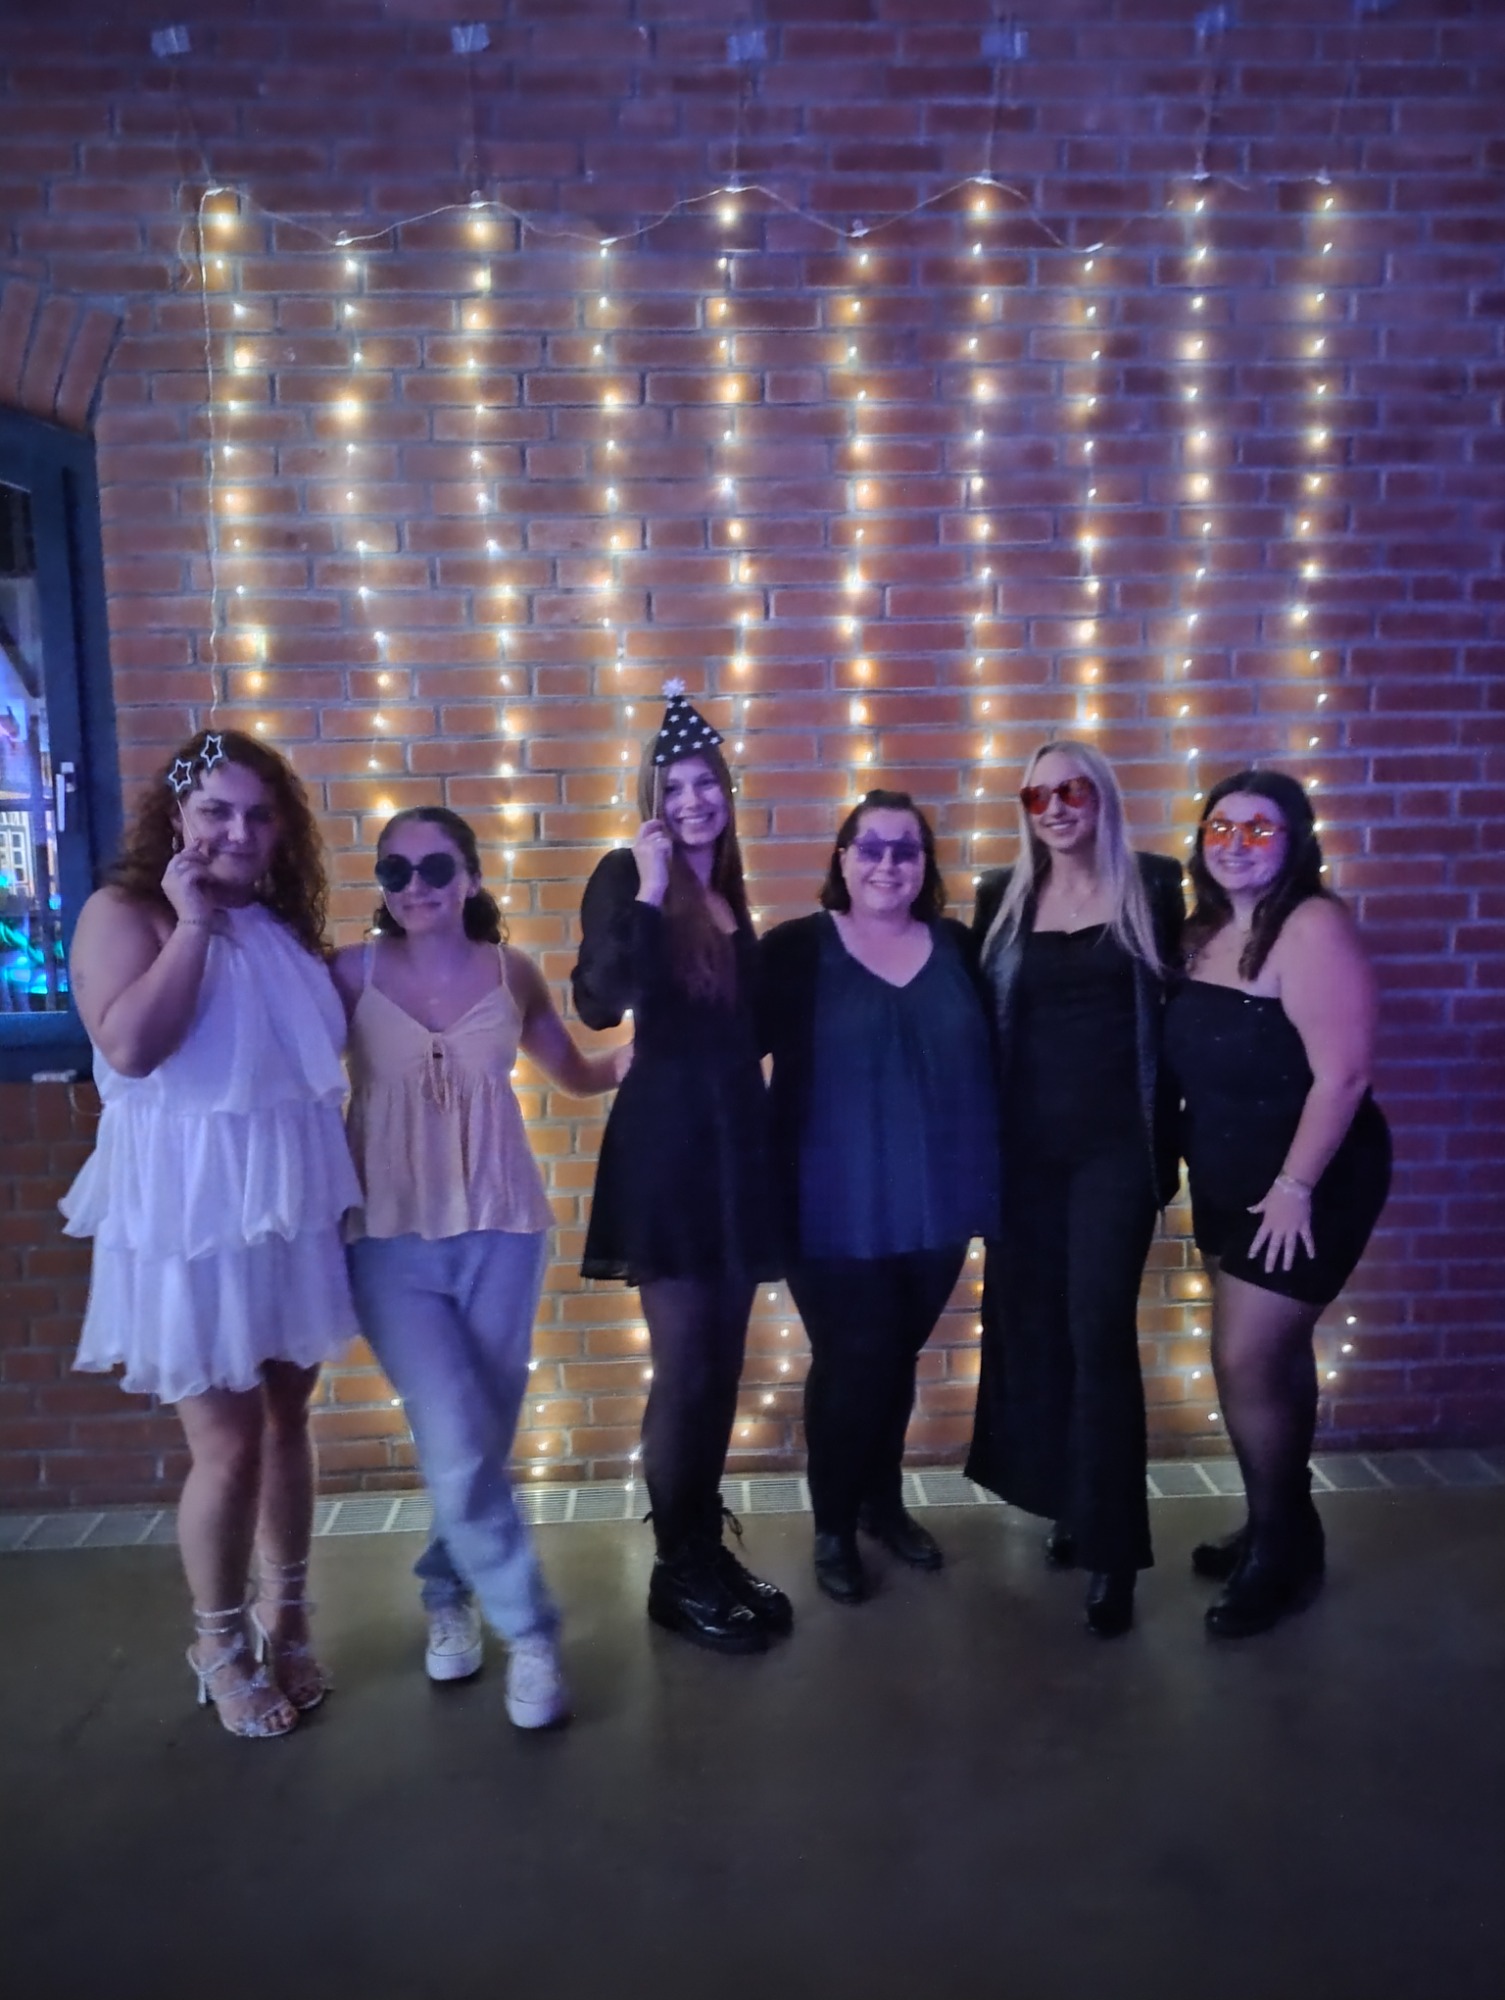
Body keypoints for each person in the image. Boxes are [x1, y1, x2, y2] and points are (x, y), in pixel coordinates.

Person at [60, 729, 361, 1739]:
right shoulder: (125, 912)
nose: (239, 831)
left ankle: (289, 1615)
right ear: (177, 816)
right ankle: (218, 1642)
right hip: (190, 1218)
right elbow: (132, 1046)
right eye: (217, 811)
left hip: (283, 1210)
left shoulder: (277, 925)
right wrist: (191, 923)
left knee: (287, 1421)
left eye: (260, 814)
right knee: (226, 1444)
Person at [333, 806, 628, 1730]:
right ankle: (531, 1633)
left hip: (503, 1229)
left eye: (435, 867)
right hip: (388, 1239)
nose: (415, 886)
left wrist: (654, 1044)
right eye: (395, 870)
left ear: (469, 875)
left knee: (481, 1437)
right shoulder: (348, 974)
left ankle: (444, 1586)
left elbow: (576, 1073)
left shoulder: (511, 972)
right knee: (455, 1435)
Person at [572, 682, 790, 1655]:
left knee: (725, 1365)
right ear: (652, 796)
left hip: (734, 1143)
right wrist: (651, 891)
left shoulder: (732, 891)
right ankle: (677, 1569)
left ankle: (703, 1549)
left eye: (707, 783)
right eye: (675, 785)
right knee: (686, 1363)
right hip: (666, 1146)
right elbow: (597, 999)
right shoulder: (630, 874)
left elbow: (749, 1028)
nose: (694, 800)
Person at [1164, 770, 1390, 1637]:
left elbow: (1343, 1076)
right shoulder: (1204, 930)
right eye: (1220, 827)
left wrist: (1294, 1188)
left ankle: (1279, 1554)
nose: (1235, 843)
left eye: (1258, 829)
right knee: (1274, 1357)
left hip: (1309, 1182)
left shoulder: (1312, 926)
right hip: (1229, 1177)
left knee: (1245, 1360)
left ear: (1294, 841)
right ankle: (1281, 1524)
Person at [966, 741, 1184, 1637]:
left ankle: (1114, 1551)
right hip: (1022, 1158)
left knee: (1099, 1333)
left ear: (1101, 796)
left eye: (1072, 791)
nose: (1054, 807)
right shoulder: (1001, 898)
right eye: (1037, 795)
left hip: (1114, 1155)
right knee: (1037, 1331)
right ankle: (1069, 1501)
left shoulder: (1154, 887)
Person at [760, 791, 999, 1604]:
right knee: (852, 1356)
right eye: (870, 848)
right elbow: (725, 1050)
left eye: (905, 850)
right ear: (842, 858)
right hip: (827, 1198)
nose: (887, 864)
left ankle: (882, 1503)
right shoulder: (795, 949)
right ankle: (832, 1524)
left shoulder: (960, 947)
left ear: (925, 864)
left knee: (894, 1356)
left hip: (938, 1198)